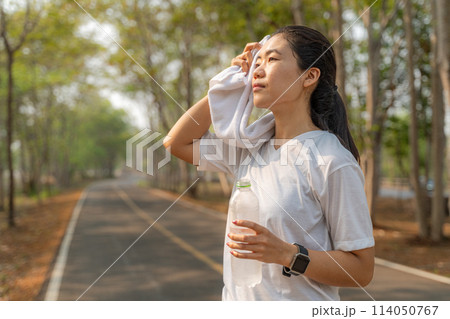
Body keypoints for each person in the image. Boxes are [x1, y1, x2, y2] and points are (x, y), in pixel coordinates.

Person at [163, 25, 375, 301]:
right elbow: (177, 142)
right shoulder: (251, 147)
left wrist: (288, 254)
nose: (257, 70)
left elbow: (361, 269)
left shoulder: (331, 161)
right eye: (256, 62)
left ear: (309, 76)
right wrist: (229, 83)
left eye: (272, 59)